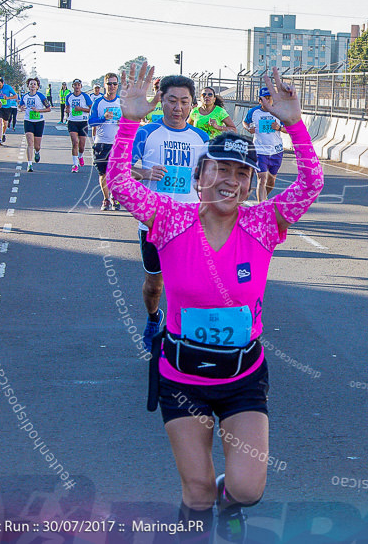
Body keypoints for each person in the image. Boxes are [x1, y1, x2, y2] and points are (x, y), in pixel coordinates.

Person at [109, 63, 322, 542]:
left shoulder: (264, 223)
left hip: (242, 377)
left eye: (240, 173)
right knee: (198, 492)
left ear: (249, 183)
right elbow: (120, 184)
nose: (230, 180)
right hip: (183, 378)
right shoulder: (168, 217)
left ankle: (231, 506)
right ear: (200, 173)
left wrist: (295, 125)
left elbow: (310, 185)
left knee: (246, 490)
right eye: (220, 169)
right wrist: (128, 121)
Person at [129, 73, 208, 352]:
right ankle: (153, 318)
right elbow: (118, 168)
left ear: (192, 105)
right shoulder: (146, 132)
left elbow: (209, 177)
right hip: (153, 221)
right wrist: (144, 172)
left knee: (189, 283)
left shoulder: (201, 137)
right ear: (161, 100)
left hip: (189, 220)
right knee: (155, 285)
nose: (178, 107)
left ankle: (183, 336)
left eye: (184, 102)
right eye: (172, 100)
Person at [88, 72, 122, 210]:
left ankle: (115, 197)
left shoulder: (122, 102)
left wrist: (123, 123)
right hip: (101, 143)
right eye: (109, 84)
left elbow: (131, 122)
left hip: (118, 143)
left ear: (117, 85)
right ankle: (106, 199)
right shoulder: (98, 102)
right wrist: (103, 118)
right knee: (103, 174)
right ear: (104, 85)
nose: (112, 86)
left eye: (114, 84)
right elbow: (90, 122)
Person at [243, 88, 283, 202]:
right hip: (259, 150)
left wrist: (279, 128)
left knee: (271, 181)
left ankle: (264, 197)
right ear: (260, 100)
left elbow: (290, 128)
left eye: (270, 98)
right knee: (262, 178)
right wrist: (248, 128)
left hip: (276, 150)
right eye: (265, 98)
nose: (268, 100)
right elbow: (245, 122)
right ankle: (262, 207)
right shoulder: (254, 112)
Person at [20, 77, 51, 172]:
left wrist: (38, 110)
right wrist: (21, 108)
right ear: (28, 86)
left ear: (37, 87)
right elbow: (21, 106)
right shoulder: (24, 96)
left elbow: (48, 108)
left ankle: (37, 152)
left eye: (34, 84)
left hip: (39, 122)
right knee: (30, 142)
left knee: (37, 145)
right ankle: (29, 164)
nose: (32, 86)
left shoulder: (41, 96)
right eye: (31, 84)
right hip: (28, 121)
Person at [65, 79, 94, 172]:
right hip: (72, 121)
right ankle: (75, 164)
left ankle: (80, 156)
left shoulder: (85, 96)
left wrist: (81, 109)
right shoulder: (68, 96)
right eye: (75, 85)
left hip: (83, 122)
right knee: (75, 142)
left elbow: (92, 110)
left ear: (81, 86)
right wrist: (67, 111)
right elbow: (67, 107)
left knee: (81, 145)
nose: (77, 87)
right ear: (72, 86)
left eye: (78, 85)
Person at [0, 77, 18, 144]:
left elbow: (15, 96)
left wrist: (8, 98)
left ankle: (3, 134)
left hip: (7, 107)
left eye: (0, 85)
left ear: (3, 83)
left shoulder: (8, 87)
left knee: (5, 123)